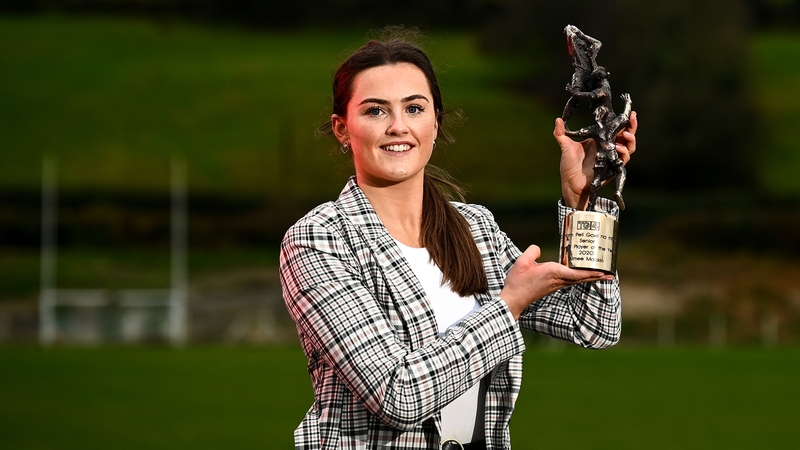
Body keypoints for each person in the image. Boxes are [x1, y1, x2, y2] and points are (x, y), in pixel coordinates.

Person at [280, 28, 638, 450]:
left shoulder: (474, 228)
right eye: (376, 111)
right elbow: (399, 394)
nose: (398, 127)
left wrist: (586, 198)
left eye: (414, 108)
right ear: (343, 129)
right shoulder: (318, 239)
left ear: (436, 121)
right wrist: (508, 307)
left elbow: (593, 325)